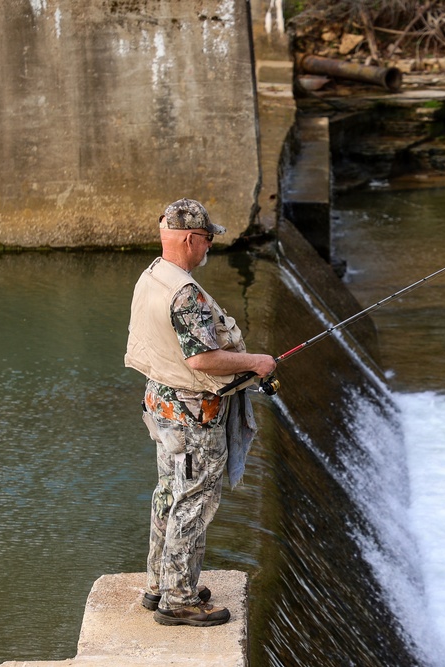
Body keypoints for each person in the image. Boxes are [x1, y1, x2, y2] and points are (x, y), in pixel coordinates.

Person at [125, 198, 276, 627]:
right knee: (194, 501)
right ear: (190, 238)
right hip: (194, 416)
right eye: (208, 238)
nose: (211, 245)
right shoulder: (184, 293)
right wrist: (255, 363)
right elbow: (201, 361)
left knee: (168, 493)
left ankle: (159, 584)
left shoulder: (152, 275)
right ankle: (180, 599)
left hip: (162, 405)